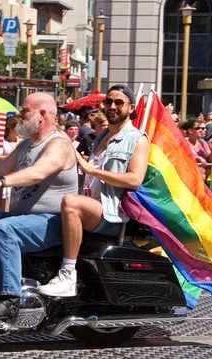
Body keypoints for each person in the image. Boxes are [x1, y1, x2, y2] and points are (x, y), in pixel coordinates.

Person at [38, 84, 150, 297]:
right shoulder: (102, 137)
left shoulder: (137, 139)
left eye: (119, 103)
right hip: (91, 205)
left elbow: (135, 180)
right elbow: (88, 172)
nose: (112, 106)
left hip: (111, 214)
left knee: (71, 202)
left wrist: (93, 170)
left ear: (131, 107)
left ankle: (68, 275)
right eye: (108, 102)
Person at [0, 92, 78, 318]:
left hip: (52, 222)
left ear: (41, 115)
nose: (19, 115)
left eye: (24, 111)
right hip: (24, 219)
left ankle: (10, 299)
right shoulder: (25, 146)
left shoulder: (59, 144)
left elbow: (38, 172)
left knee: (5, 229)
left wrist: (0, 182)